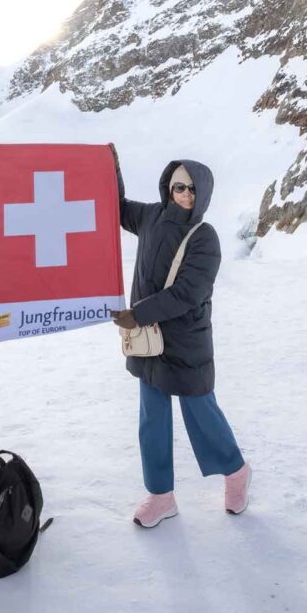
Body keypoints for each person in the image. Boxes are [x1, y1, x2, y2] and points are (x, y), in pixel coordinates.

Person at [109, 146, 252, 528]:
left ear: (203, 192)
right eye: (178, 187)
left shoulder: (205, 238)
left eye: (191, 188)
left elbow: (188, 294)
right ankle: (161, 496)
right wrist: (113, 167)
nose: (185, 195)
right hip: (147, 341)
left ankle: (236, 472)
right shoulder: (152, 216)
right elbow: (117, 208)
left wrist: (136, 314)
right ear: (167, 188)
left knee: (200, 414)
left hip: (186, 341)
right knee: (151, 419)